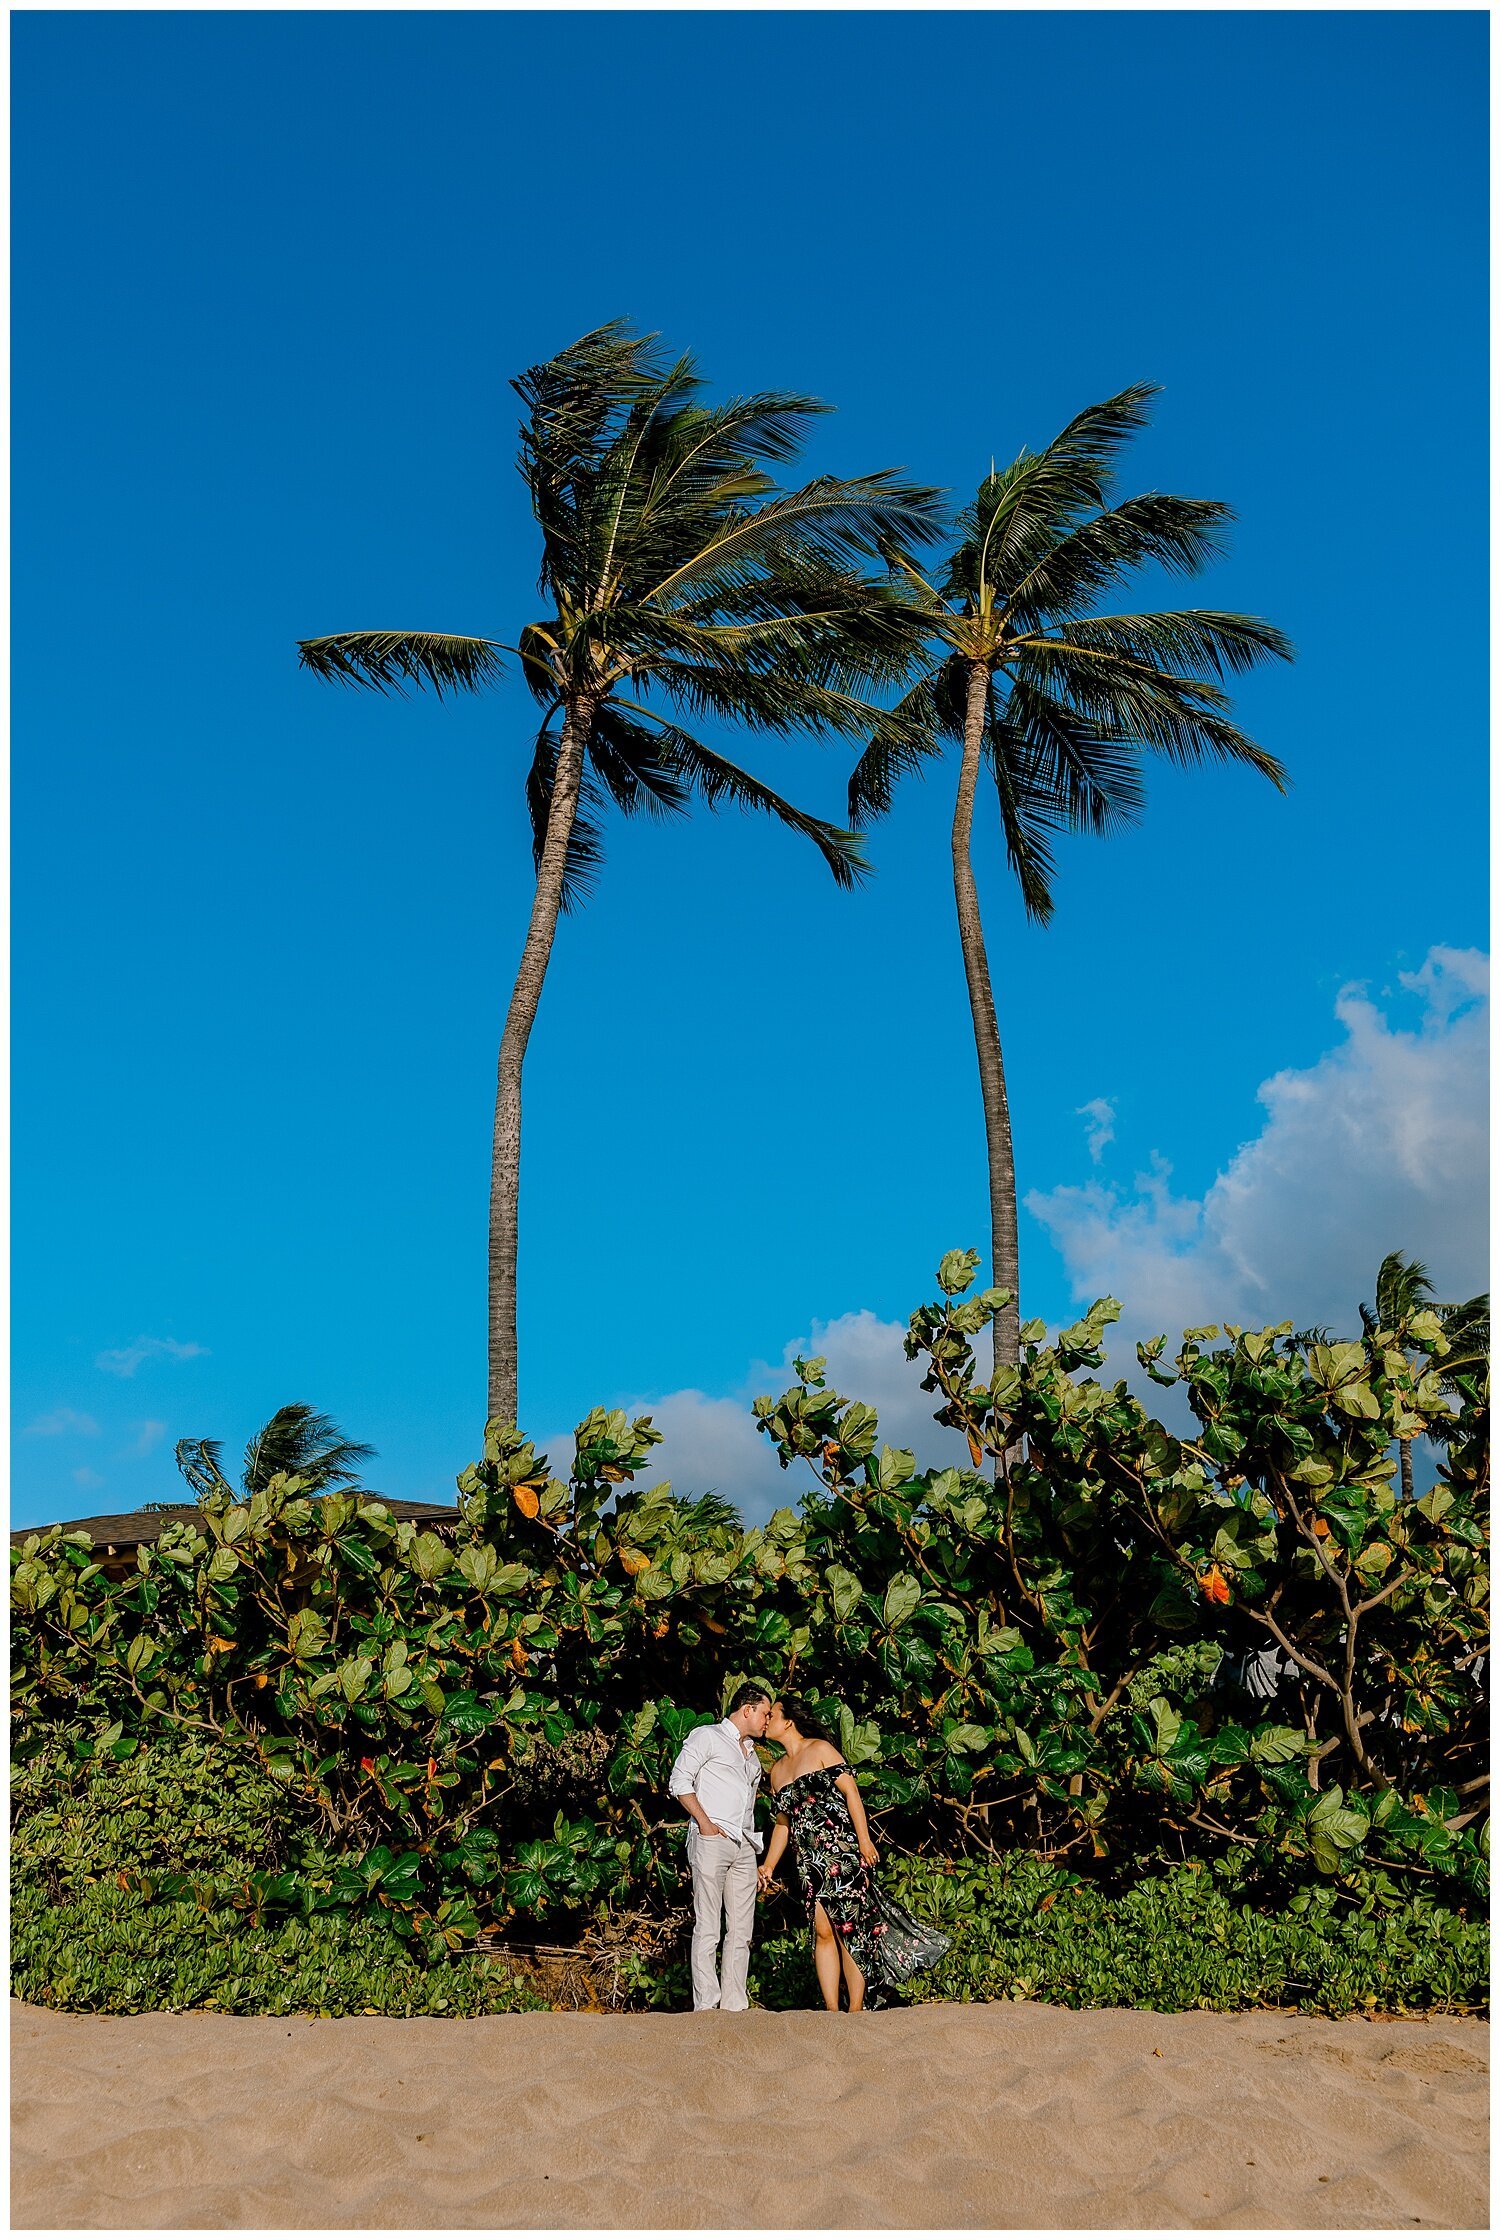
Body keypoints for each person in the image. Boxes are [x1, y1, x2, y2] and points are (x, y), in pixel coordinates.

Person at [759, 1694, 950, 2012]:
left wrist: (865, 1840)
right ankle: (832, 2010)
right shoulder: (776, 1772)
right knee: (822, 1929)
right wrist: (767, 1866)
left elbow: (852, 1792)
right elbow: (783, 1823)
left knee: (849, 1929)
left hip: (841, 1853)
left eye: (772, 1715)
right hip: (808, 1861)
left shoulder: (819, 1749)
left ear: (788, 1720)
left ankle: (856, 2009)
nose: (766, 1721)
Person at [667, 1680, 771, 2012]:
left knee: (741, 1930)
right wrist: (706, 1825)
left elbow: (748, 1810)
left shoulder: (753, 1759)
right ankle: (706, 2006)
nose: (768, 1721)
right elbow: (679, 1780)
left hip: (743, 1845)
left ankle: (734, 2006)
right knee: (709, 1925)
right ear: (748, 1709)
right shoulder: (706, 1736)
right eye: (765, 1714)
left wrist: (753, 1851)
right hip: (712, 1839)